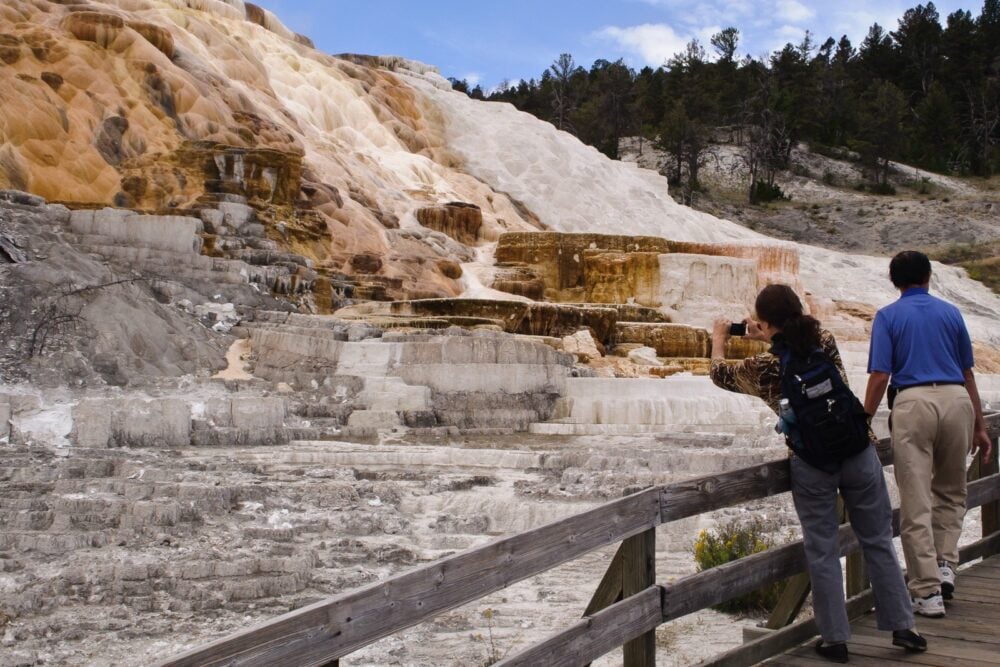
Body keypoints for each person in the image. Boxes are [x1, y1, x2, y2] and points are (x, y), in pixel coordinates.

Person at [710, 284, 925, 663]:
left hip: (812, 462)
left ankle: (835, 640)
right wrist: (769, 335)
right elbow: (798, 343)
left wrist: (718, 338)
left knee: (823, 550)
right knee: (877, 539)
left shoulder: (763, 368)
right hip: (858, 450)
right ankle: (903, 625)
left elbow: (719, 374)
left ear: (764, 322)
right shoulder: (823, 339)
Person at [863, 251, 993, 618]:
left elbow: (880, 375)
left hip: (914, 402)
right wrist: (980, 425)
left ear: (895, 281)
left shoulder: (888, 316)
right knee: (952, 491)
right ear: (928, 277)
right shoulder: (951, 313)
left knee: (916, 499)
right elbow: (968, 372)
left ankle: (927, 591)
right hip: (956, 399)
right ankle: (946, 564)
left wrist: (863, 418)